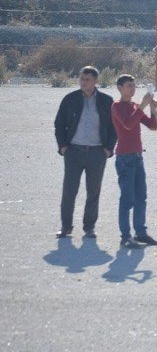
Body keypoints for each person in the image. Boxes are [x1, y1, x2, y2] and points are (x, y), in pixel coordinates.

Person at [54, 66, 117, 238]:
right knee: (69, 191)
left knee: (93, 191)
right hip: (73, 151)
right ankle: (66, 227)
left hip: (97, 153)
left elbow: (114, 127)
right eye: (81, 79)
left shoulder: (106, 101)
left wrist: (108, 149)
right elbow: (59, 124)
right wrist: (63, 147)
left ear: (96, 81)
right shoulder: (70, 99)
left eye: (87, 79)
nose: (83, 82)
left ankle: (89, 227)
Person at [111, 74, 157, 248]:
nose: (132, 89)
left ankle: (140, 233)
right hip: (124, 158)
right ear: (119, 88)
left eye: (133, 85)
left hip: (138, 156)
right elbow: (128, 124)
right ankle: (126, 237)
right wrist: (142, 106)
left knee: (141, 196)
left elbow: (153, 126)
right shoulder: (116, 106)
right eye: (128, 86)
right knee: (127, 198)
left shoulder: (134, 106)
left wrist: (153, 109)